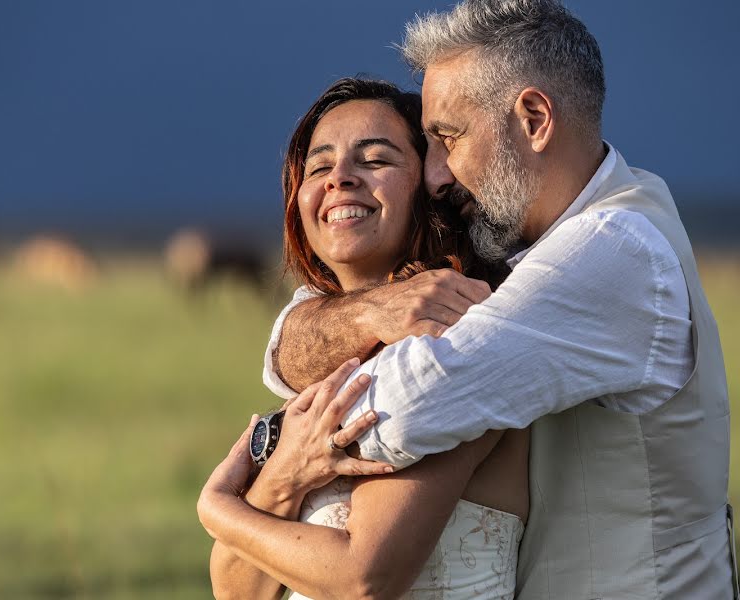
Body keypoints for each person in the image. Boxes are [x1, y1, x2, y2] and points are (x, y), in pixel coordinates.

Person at [262, 1, 739, 598]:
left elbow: (412, 400)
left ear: (535, 119)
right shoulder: (565, 242)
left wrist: (276, 450)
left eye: (449, 138)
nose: (436, 176)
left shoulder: (612, 251)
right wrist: (364, 313)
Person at [198, 78, 529, 599]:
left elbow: (364, 580)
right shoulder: (328, 359)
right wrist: (286, 476)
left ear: (432, 183)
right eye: (319, 166)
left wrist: (218, 507)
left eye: (374, 159)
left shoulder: (458, 345)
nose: (340, 179)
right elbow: (238, 589)